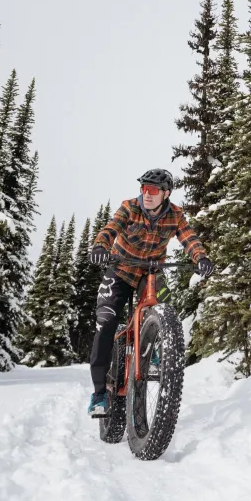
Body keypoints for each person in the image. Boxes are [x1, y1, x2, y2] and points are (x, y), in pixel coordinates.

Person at [86, 168, 214, 416]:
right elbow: (110, 229)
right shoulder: (129, 208)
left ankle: (155, 350)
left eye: (153, 190)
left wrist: (201, 258)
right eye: (144, 188)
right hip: (120, 271)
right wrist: (101, 246)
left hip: (151, 275)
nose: (146, 194)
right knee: (106, 322)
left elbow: (190, 239)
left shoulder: (175, 215)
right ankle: (99, 393)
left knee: (164, 306)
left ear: (165, 194)